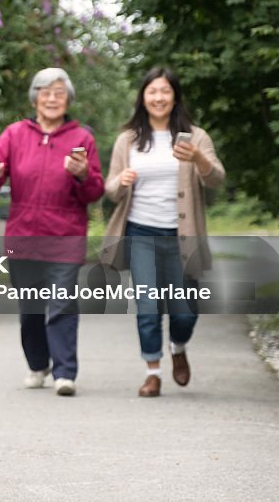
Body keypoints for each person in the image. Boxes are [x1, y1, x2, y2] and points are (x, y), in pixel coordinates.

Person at [0, 67, 104, 397]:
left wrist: (81, 174)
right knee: (30, 308)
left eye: (59, 93)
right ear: (35, 98)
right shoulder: (15, 133)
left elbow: (94, 191)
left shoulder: (82, 139)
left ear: (68, 99)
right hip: (23, 237)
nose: (51, 98)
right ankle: (38, 364)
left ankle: (65, 373)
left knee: (62, 304)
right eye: (45, 92)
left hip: (65, 237)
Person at [101, 67, 224, 397]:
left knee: (184, 313)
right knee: (148, 305)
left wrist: (198, 158)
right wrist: (121, 181)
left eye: (165, 91)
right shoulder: (127, 140)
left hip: (182, 235)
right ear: (143, 97)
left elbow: (216, 178)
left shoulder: (195, 137)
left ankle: (178, 346)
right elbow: (110, 188)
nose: (158, 97)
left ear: (175, 97)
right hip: (141, 232)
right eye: (152, 91)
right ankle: (152, 370)